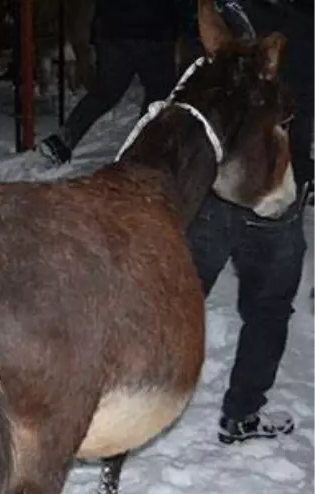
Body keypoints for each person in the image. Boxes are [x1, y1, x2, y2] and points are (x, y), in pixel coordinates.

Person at [184, 0, 314, 444]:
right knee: (268, 309)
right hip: (275, 193)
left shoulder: (227, 14)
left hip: (216, 186)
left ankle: (128, 392)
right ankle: (241, 415)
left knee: (179, 296)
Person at [37, 0, 183, 164]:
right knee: (159, 93)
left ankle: (63, 140)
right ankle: (143, 148)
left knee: (106, 91)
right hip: (155, 29)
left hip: (112, 28)